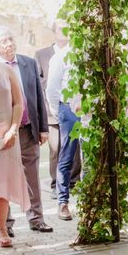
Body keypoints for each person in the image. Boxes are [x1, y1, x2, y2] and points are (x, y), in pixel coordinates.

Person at [0, 27, 51, 236]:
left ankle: (36, 219)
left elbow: (38, 96)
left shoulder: (28, 62)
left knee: (33, 176)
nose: (8, 43)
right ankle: (6, 224)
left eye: (10, 38)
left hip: (28, 129)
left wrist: (43, 128)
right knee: (2, 177)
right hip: (3, 134)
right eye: (3, 40)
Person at [36, 20, 80, 201]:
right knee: (60, 151)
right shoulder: (51, 55)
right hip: (60, 110)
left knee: (77, 152)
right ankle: (59, 190)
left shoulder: (82, 54)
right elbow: (46, 87)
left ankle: (76, 184)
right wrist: (56, 110)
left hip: (81, 110)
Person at [0, 60, 30, 247]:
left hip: (8, 137)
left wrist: (12, 130)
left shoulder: (6, 70)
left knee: (2, 184)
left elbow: (18, 103)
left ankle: (2, 229)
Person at [46, 34, 80, 221]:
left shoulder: (92, 55)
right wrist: (60, 111)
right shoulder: (61, 56)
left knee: (92, 155)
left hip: (91, 108)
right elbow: (52, 88)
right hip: (68, 109)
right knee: (67, 155)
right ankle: (63, 202)